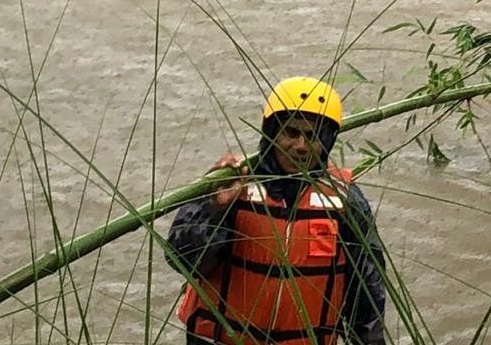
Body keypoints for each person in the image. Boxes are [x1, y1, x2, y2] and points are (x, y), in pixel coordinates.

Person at [166, 77, 387, 345]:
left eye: (313, 136)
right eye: (291, 133)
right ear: (271, 133)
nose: (302, 146)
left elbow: (367, 300)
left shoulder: (347, 202)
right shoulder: (231, 184)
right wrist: (217, 209)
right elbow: (182, 260)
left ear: (327, 141)